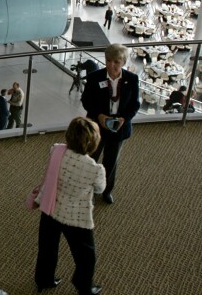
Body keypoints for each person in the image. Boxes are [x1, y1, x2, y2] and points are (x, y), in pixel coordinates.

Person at [30, 117, 105, 295]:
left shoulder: (56, 150)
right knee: (86, 256)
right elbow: (100, 189)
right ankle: (83, 286)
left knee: (47, 248)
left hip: (50, 208)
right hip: (76, 217)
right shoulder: (95, 169)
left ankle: (44, 279)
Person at [81, 43, 140, 204]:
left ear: (123, 62)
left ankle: (106, 191)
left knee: (111, 162)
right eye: (108, 60)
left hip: (118, 128)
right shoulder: (95, 77)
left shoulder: (132, 79)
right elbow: (86, 100)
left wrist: (124, 119)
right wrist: (99, 115)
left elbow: (135, 105)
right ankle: (86, 189)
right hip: (97, 126)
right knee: (91, 159)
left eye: (116, 62)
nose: (110, 65)